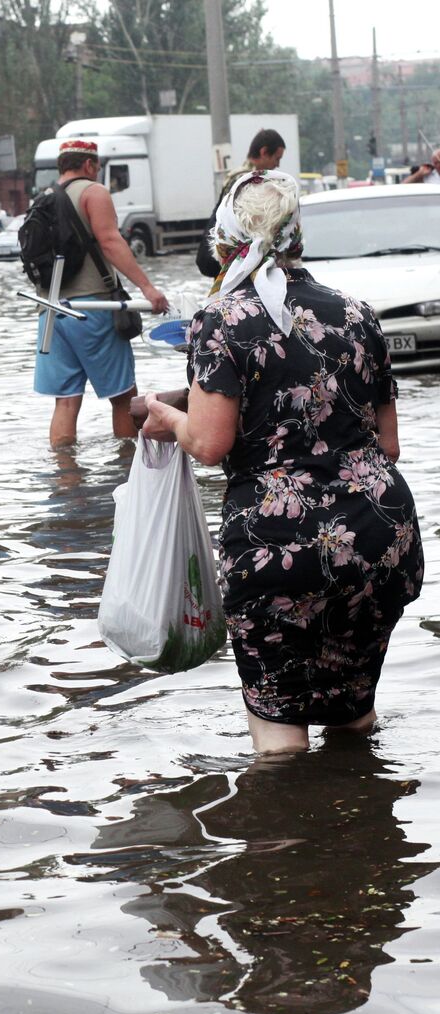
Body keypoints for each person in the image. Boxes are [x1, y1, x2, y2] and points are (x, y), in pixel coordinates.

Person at [142, 170, 424, 755]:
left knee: (280, 743)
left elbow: (211, 443)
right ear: (297, 238)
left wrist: (167, 418)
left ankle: (287, 837)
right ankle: (368, 833)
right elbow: (387, 445)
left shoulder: (220, 319)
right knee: (353, 719)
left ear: (224, 243)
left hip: (279, 545)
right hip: (378, 538)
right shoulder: (357, 313)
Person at [34, 138, 168, 448]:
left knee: (65, 402)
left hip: (51, 312)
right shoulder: (94, 192)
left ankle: (66, 478)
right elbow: (110, 242)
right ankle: (127, 473)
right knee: (123, 398)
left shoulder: (43, 199)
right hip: (92, 310)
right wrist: (147, 288)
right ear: (89, 164)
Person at [196, 128, 286, 279]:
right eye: (277, 158)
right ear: (264, 152)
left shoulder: (235, 176)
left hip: (227, 266)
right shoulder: (249, 183)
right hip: (237, 268)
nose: (277, 165)